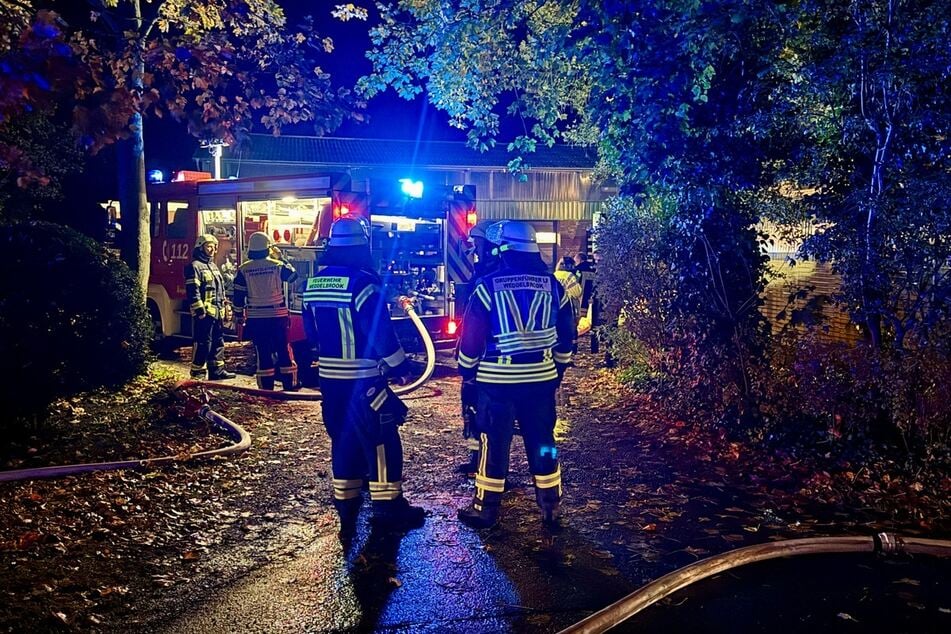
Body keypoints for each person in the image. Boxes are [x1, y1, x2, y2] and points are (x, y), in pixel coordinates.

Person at [301, 217, 425, 537]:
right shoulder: (364, 285)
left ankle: (347, 509)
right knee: (382, 440)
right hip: (365, 380)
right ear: (361, 246)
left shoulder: (313, 284)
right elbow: (380, 334)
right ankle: (388, 509)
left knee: (343, 441)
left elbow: (311, 333)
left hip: (330, 382)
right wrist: (400, 366)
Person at [456, 221, 575, 531]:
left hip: (497, 382)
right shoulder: (553, 285)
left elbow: (471, 340)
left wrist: (467, 373)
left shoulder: (487, 286)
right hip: (541, 380)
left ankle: (486, 510)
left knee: (494, 442)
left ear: (502, 249)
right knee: (543, 441)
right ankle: (550, 506)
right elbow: (566, 336)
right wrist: (557, 369)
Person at [457, 220, 501, 477]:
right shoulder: (482, 270)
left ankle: (487, 465)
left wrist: (467, 359)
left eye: (478, 243)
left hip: (487, 356)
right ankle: (476, 457)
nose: (474, 247)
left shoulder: (490, 275)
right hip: (481, 351)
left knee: (484, 410)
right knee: (472, 407)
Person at [233, 231, 299, 391]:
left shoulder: (243, 270)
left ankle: (266, 387)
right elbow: (293, 276)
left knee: (263, 352)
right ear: (268, 248)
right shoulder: (277, 266)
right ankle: (290, 384)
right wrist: (281, 257)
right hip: (277, 316)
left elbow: (238, 295)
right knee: (284, 349)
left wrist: (238, 315)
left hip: (256, 317)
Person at [184, 234, 235, 380]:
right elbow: (192, 291)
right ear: (200, 248)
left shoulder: (213, 266)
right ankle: (198, 372)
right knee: (203, 343)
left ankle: (217, 370)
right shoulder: (194, 267)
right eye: (208, 246)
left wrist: (225, 306)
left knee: (218, 341)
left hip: (217, 312)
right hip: (205, 314)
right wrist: (199, 310)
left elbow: (220, 289)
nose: (212, 250)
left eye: (214, 246)